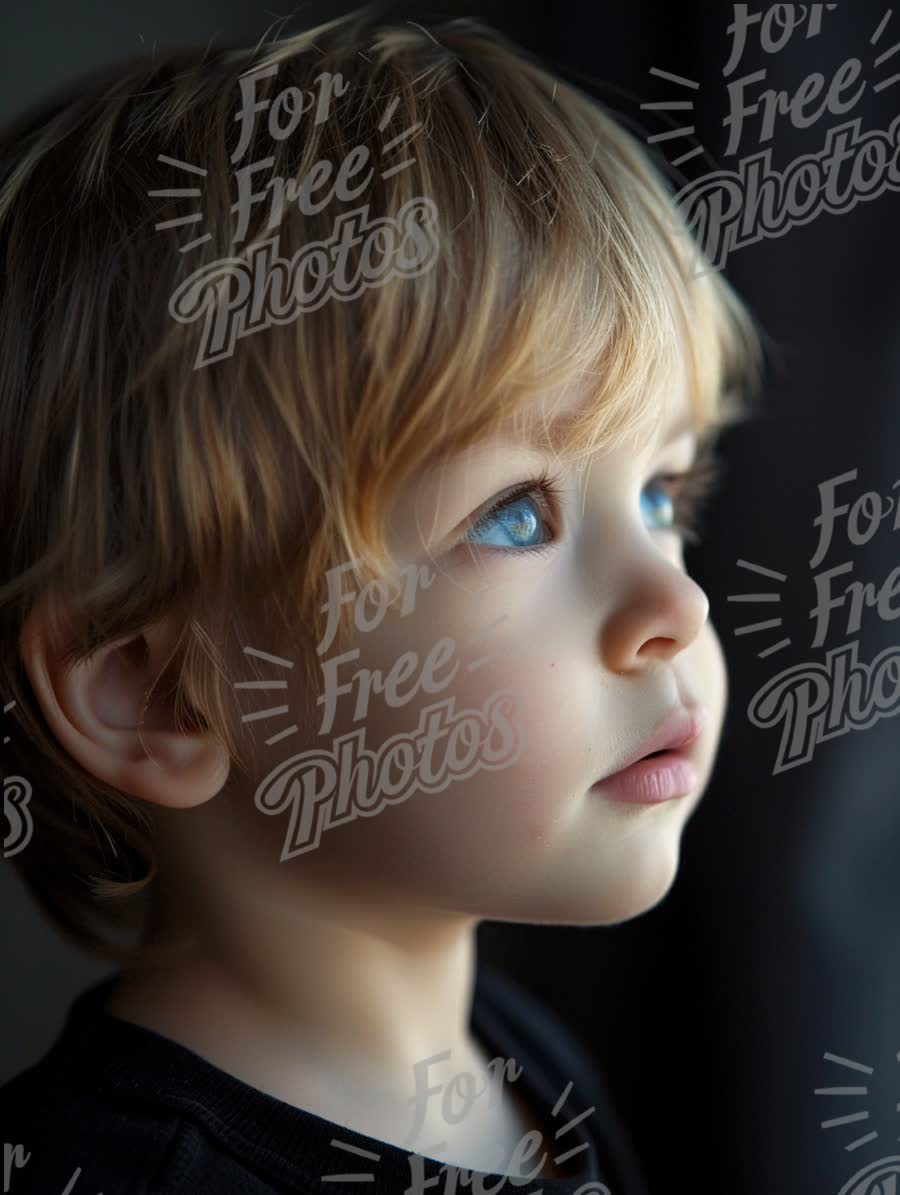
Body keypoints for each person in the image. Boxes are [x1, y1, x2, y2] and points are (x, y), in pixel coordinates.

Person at [0, 5, 762, 1192]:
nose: (675, 602)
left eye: (664, 492)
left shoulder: (523, 1069)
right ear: (158, 692)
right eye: (516, 513)